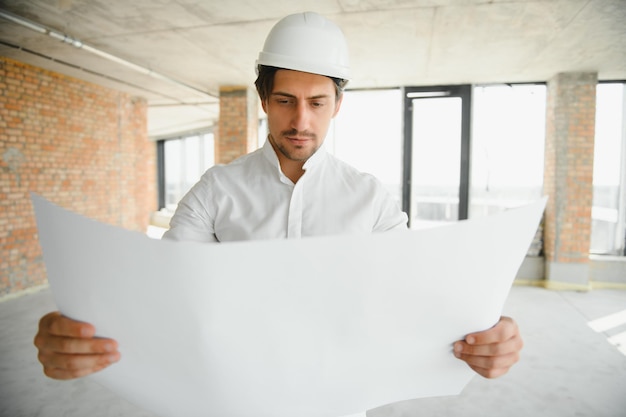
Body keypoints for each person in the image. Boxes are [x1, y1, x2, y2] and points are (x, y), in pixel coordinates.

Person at [34, 11, 523, 383]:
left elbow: (413, 296)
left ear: (339, 105)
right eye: (286, 101)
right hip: (230, 393)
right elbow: (167, 290)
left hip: (337, 397)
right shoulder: (216, 190)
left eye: (317, 103)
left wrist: (482, 334)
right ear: (264, 100)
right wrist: (85, 330)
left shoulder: (370, 199)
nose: (301, 121)